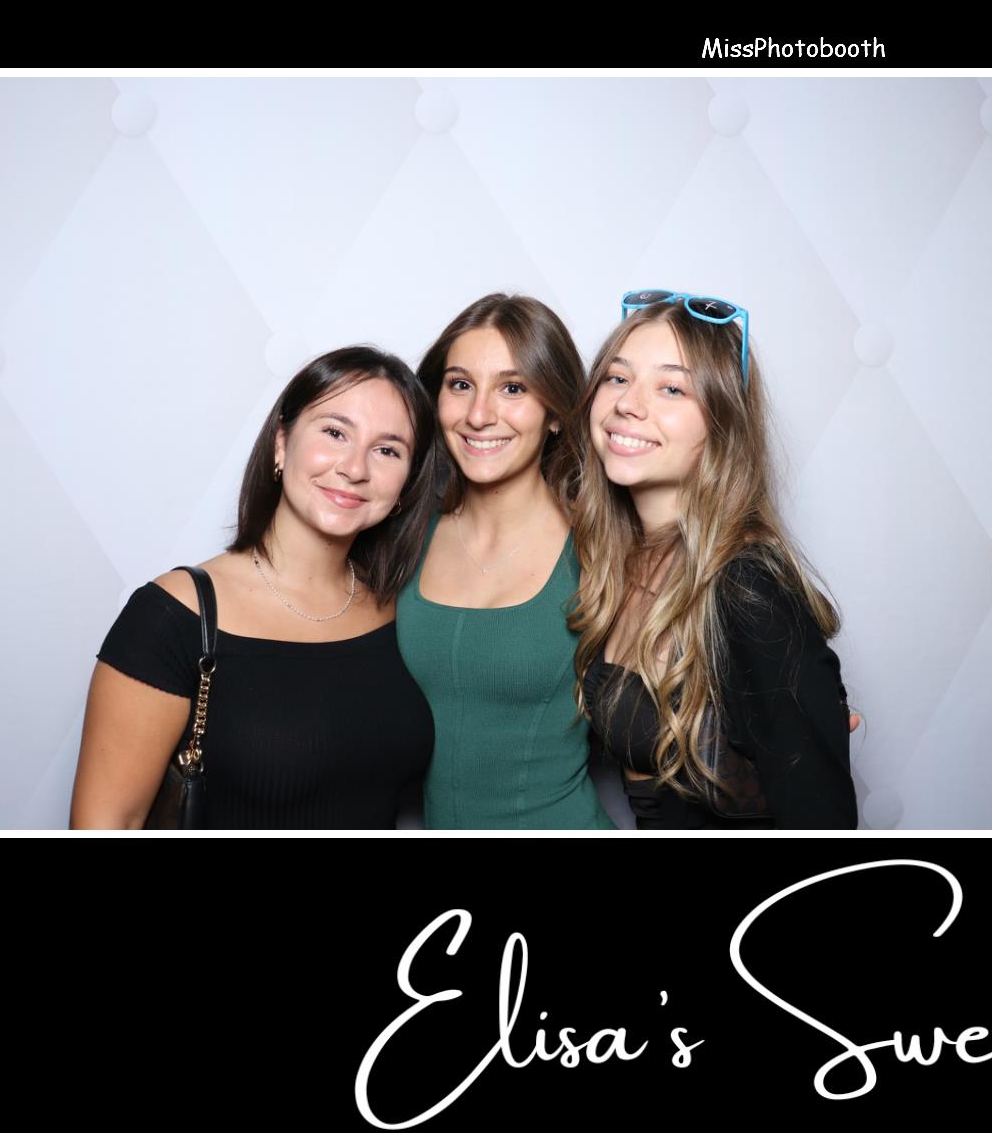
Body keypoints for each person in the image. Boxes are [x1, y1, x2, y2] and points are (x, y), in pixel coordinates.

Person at [71, 347, 439, 829]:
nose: (355, 468)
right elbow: (106, 822)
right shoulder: (172, 618)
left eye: (388, 450)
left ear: (407, 483)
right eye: (334, 432)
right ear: (281, 443)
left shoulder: (403, 610)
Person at [570, 291, 855, 829]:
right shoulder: (618, 558)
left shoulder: (746, 589)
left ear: (722, 423)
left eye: (672, 388)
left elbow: (822, 819)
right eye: (617, 377)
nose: (628, 403)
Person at [397, 293, 615, 829]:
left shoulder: (604, 549)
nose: (478, 415)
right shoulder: (403, 537)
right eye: (460, 385)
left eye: (512, 388)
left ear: (556, 413)